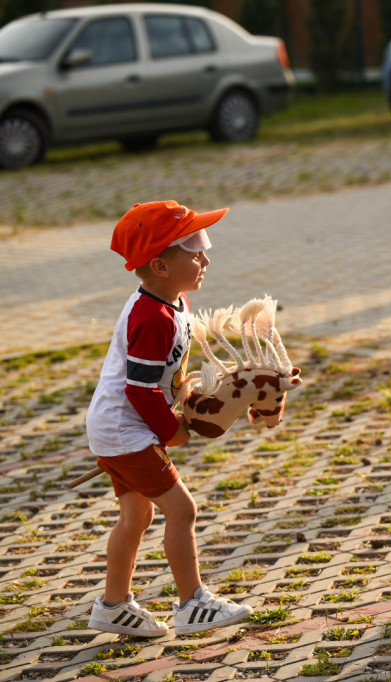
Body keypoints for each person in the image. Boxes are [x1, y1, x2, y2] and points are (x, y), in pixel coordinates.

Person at [85, 201, 253, 638]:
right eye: (194, 247)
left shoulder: (174, 303)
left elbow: (165, 378)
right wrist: (171, 430)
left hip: (119, 428)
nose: (206, 257)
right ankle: (192, 603)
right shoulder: (152, 317)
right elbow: (138, 390)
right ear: (160, 265)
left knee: (135, 517)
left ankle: (113, 606)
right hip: (126, 430)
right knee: (183, 510)